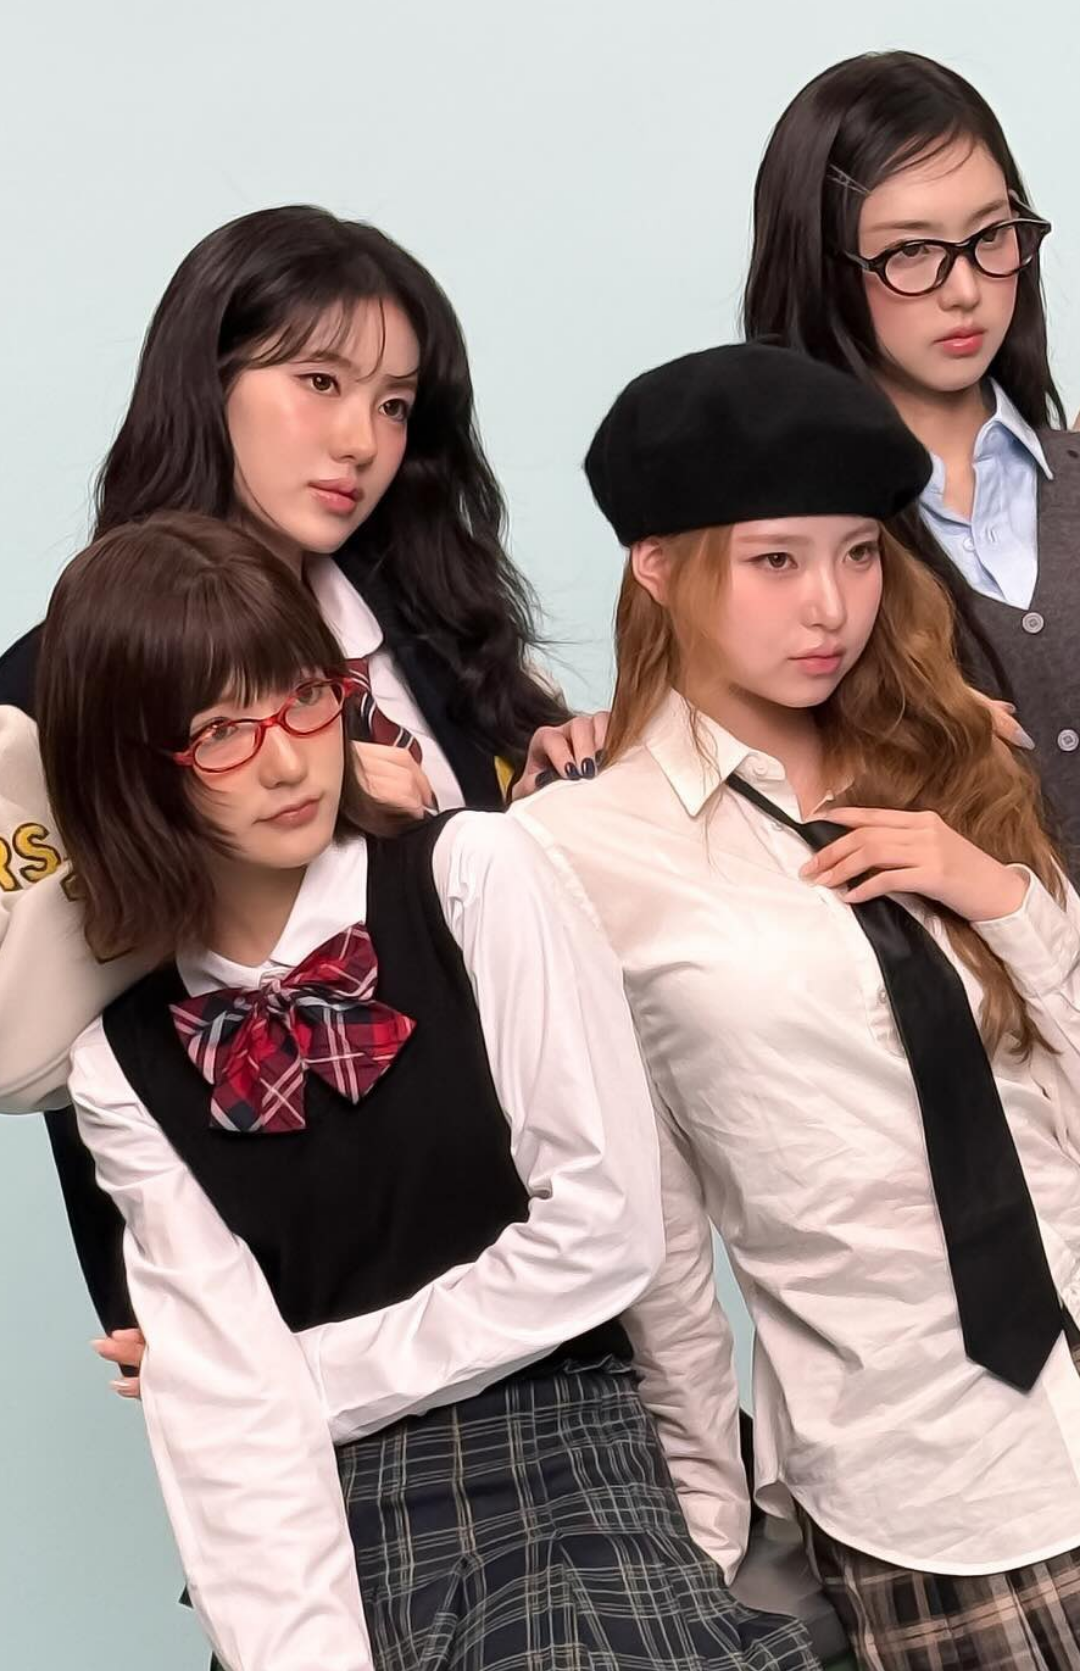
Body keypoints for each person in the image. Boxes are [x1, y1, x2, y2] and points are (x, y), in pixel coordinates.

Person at [39, 509, 817, 1671]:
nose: (290, 759)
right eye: (222, 733)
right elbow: (233, 1446)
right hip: (318, 1516)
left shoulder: (474, 875)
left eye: (305, 697)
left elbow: (612, 1235)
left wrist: (297, 1377)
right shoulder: (121, 1062)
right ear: (129, 771)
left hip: (564, 1466)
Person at [513, 342, 1080, 1670]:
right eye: (776, 560)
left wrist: (1002, 895)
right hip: (924, 1489)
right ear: (658, 566)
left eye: (860, 554)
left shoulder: (955, 759)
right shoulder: (572, 853)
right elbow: (654, 1238)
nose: (830, 606)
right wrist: (711, 1544)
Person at [0, 204, 603, 1350]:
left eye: (395, 404)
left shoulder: (446, 641)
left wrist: (581, 788)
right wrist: (285, 816)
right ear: (206, 382)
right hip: (260, 1301)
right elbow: (22, 1040)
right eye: (320, 383)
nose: (361, 441)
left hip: (537, 1262)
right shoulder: (46, 692)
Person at [741, 49, 1080, 870]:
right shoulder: (776, 544)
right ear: (822, 269)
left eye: (991, 235)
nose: (964, 290)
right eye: (911, 252)